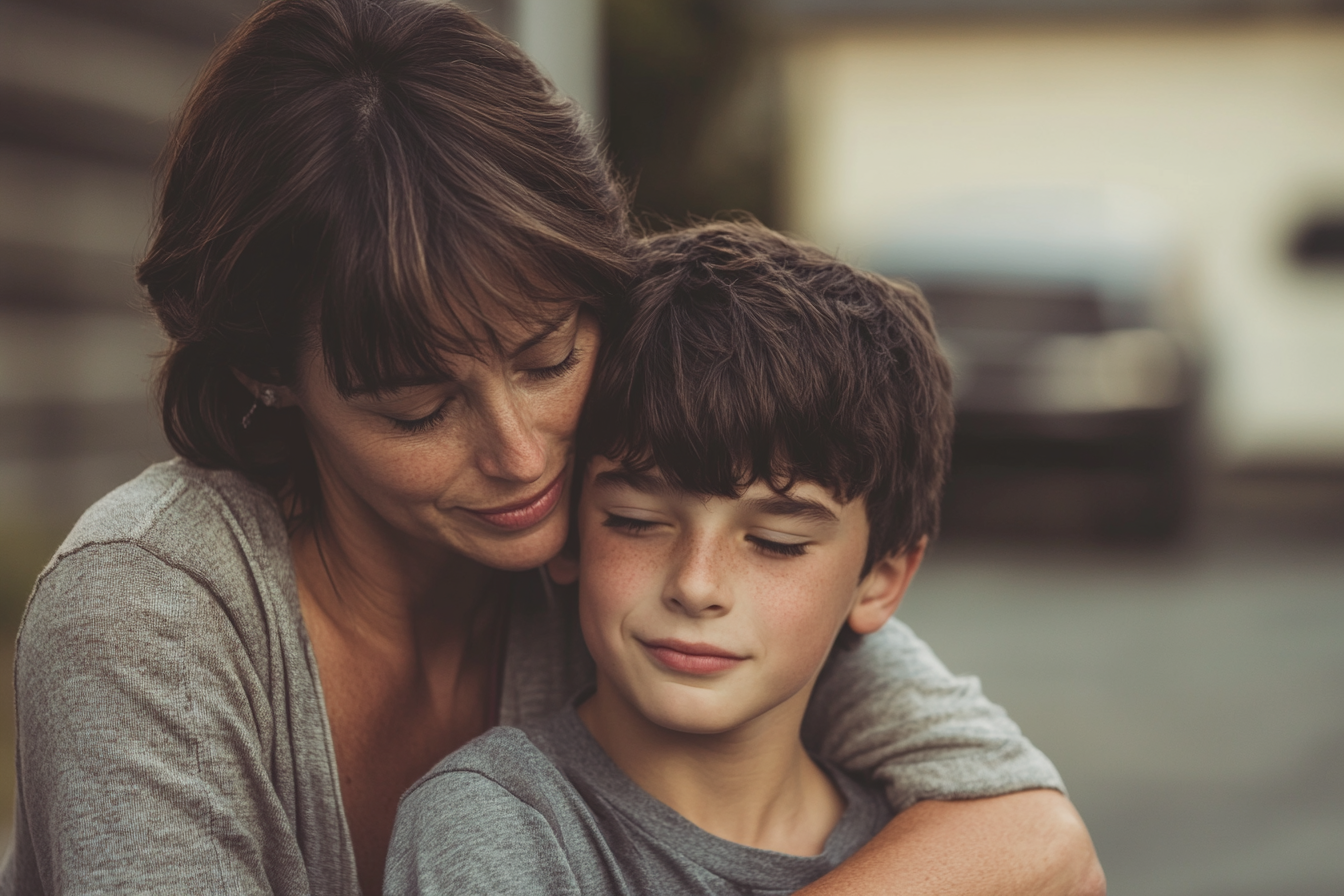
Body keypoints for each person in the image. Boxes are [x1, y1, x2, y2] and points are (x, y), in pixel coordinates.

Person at [2, 2, 1103, 895]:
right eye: (418, 406)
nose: (524, 453)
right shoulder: (147, 610)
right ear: (269, 375)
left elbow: (1034, 833)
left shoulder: (645, 530)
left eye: (545, 356)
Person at [382, 221, 1102, 895]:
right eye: (636, 522)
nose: (696, 586)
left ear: (881, 580)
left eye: (775, 543)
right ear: (569, 534)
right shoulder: (495, 821)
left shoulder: (939, 854)